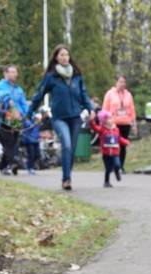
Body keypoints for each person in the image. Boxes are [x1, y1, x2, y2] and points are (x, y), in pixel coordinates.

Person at [27, 45, 95, 191]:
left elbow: (83, 94)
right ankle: (66, 179)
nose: (65, 57)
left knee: (72, 150)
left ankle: (67, 175)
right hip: (59, 118)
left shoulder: (76, 75)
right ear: (56, 58)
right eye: (61, 55)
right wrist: (29, 112)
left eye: (67, 55)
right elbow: (39, 95)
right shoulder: (51, 77)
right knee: (67, 145)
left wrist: (90, 108)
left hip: (75, 118)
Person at [0, 64, 29, 175]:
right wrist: (6, 98)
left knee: (14, 143)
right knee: (8, 143)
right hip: (2, 120)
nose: (15, 74)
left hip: (17, 120)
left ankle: (3, 166)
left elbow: (23, 104)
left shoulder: (18, 89)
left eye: (16, 72)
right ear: (5, 73)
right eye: (12, 72)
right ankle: (13, 164)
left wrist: (29, 114)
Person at [101, 76, 137, 173]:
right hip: (113, 124)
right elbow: (105, 109)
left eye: (124, 82)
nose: (123, 84)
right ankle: (112, 165)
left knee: (123, 144)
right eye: (121, 82)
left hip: (125, 122)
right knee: (113, 144)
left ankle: (121, 166)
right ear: (116, 82)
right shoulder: (110, 94)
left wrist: (134, 124)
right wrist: (104, 123)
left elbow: (132, 109)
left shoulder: (128, 94)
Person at [90, 110, 129, 187]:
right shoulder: (102, 129)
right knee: (108, 169)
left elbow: (119, 138)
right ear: (104, 121)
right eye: (109, 119)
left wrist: (125, 141)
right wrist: (91, 121)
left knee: (118, 164)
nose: (111, 120)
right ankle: (106, 181)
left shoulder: (116, 129)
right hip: (106, 153)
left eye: (111, 118)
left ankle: (117, 171)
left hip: (115, 153)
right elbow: (95, 128)